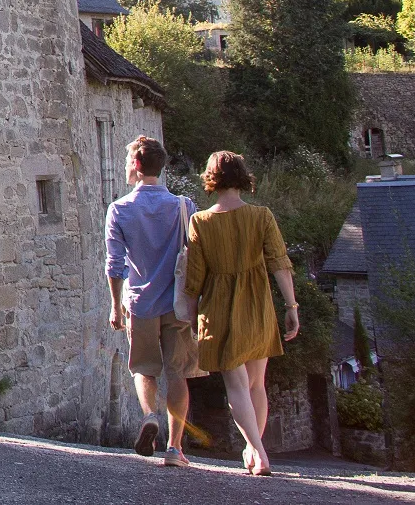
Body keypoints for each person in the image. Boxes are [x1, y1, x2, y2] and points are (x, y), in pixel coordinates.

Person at [183, 151, 300, 476]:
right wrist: (291, 307)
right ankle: (255, 449)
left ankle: (257, 451)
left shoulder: (200, 221)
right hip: (256, 305)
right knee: (255, 384)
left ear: (210, 179)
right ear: (241, 176)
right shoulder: (261, 216)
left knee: (236, 385)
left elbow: (194, 279)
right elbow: (280, 263)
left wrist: (192, 319)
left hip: (218, 309)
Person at [106, 135, 202, 467]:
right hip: (178, 303)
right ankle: (175, 449)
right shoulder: (184, 206)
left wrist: (116, 305)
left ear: (135, 165)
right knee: (178, 373)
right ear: (160, 168)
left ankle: (149, 415)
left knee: (144, 370)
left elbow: (114, 265)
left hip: (140, 303)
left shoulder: (119, 209)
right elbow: (198, 256)